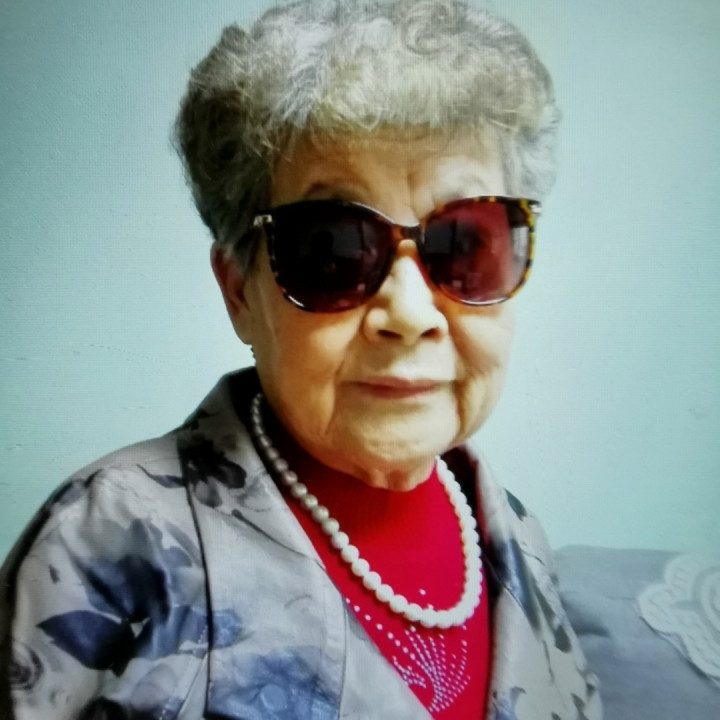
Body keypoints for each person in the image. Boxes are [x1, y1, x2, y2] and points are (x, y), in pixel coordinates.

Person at [0, 1, 601, 718]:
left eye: (464, 243)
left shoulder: (518, 541)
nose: (410, 314)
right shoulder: (104, 542)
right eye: (333, 250)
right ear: (240, 292)